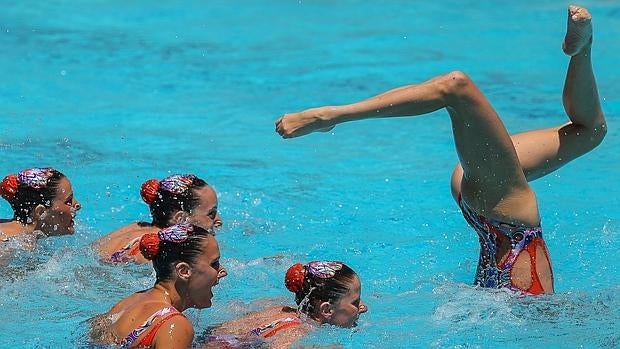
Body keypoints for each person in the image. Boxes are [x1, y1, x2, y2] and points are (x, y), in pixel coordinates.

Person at [275, 5, 606, 295]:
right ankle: (583, 48)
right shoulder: (518, 311)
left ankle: (332, 115)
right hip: (496, 210)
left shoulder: (515, 308)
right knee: (589, 131)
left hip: (500, 210)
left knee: (457, 88)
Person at [90, 223, 228, 348]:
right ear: (184, 271)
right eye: (214, 263)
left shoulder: (128, 303)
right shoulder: (175, 325)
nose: (223, 272)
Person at [203, 260, 367, 348]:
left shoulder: (281, 309)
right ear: (327, 309)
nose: (362, 307)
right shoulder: (298, 331)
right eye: (355, 302)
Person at [95, 174, 222, 263]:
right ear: (181, 219)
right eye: (211, 214)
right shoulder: (162, 247)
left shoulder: (136, 226)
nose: (218, 220)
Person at [0, 167, 81, 245]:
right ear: (41, 212)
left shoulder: (24, 239)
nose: (78, 205)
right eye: (68, 201)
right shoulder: (11, 245)